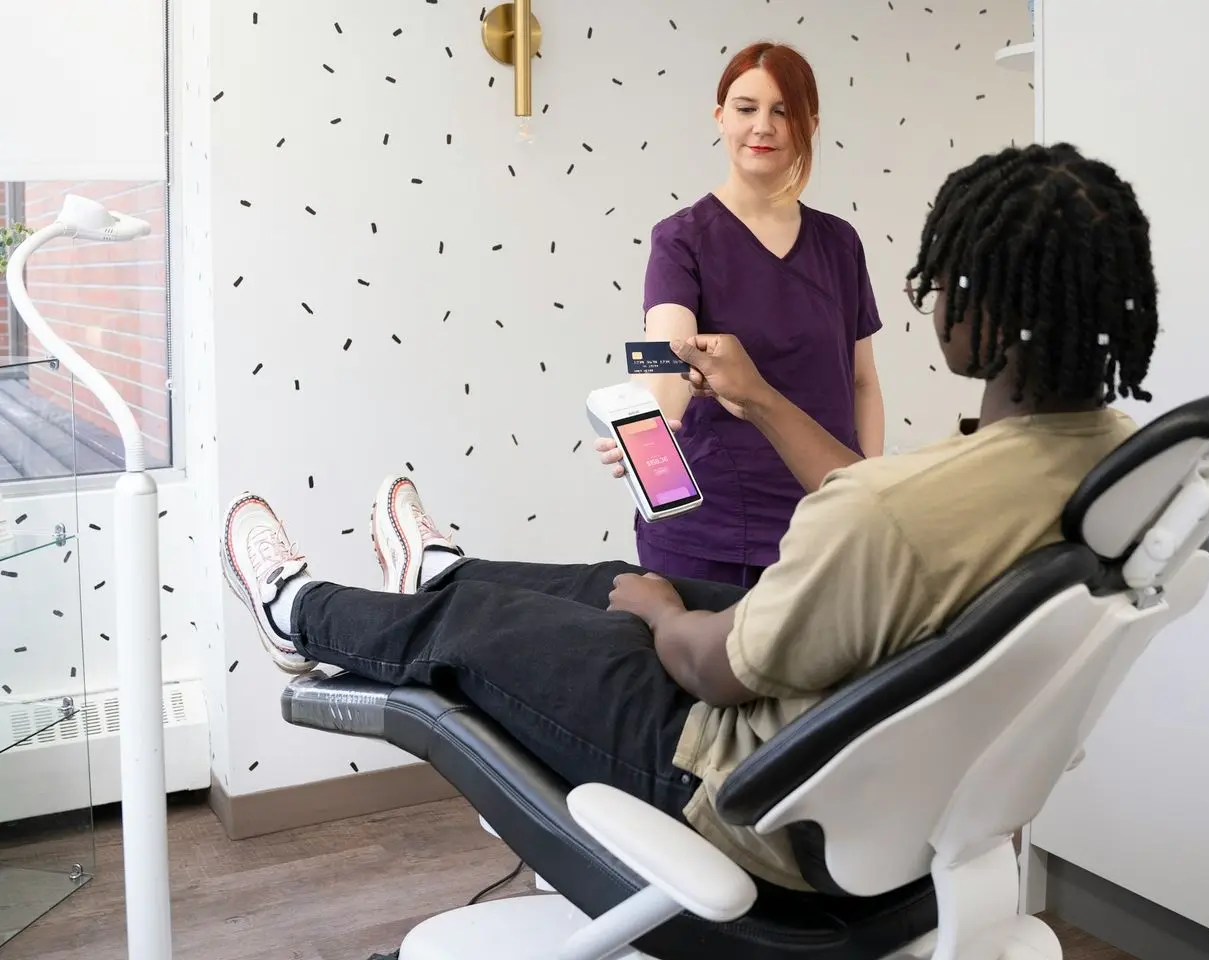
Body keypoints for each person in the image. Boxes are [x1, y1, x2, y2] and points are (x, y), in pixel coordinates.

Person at [222, 142, 1159, 893]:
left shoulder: (889, 515)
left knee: (498, 626)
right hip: (883, 783)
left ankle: (295, 607)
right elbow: (872, 497)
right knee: (595, 585)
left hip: (742, 783)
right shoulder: (1108, 461)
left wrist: (664, 616)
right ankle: (439, 571)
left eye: (947, 279)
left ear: (984, 308)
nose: (933, 301)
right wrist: (750, 397)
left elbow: (718, 663)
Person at [595, 41, 886, 589]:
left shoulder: (840, 244)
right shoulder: (682, 239)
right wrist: (649, 426)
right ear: (720, 117)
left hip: (826, 527)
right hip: (713, 534)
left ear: (808, 124)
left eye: (782, 111)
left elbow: (863, 383)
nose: (763, 126)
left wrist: (868, 496)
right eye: (746, 108)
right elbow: (667, 353)